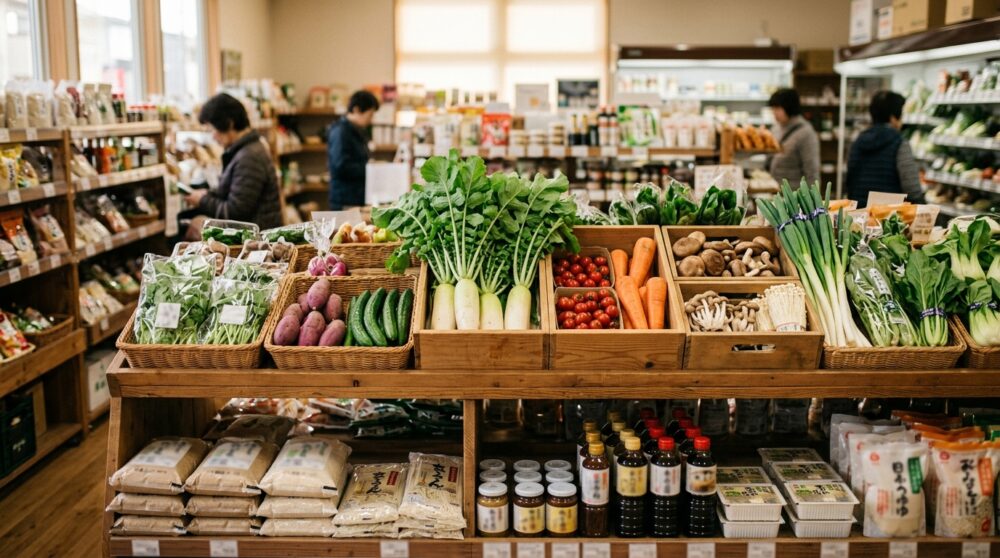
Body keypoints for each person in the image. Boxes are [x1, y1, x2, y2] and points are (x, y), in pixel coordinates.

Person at [183, 93, 282, 236]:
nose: (212, 136)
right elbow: (236, 193)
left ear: (229, 123)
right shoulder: (245, 150)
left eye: (212, 129)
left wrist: (203, 201)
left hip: (256, 243)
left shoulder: (250, 157)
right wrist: (209, 194)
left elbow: (235, 213)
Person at [846, 90, 922, 204]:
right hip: (888, 215)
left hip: (859, 213)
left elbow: (849, 181)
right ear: (893, 118)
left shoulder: (858, 141)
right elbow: (912, 189)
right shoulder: (899, 143)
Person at [327, 90, 380, 209]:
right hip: (345, 200)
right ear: (356, 110)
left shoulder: (357, 131)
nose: (371, 120)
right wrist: (370, 168)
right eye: (370, 115)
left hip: (356, 197)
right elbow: (340, 166)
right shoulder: (340, 132)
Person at [767, 88, 820, 187]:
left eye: (777, 108)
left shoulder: (806, 133)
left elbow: (812, 172)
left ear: (789, 107)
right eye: (772, 109)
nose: (774, 112)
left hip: (794, 196)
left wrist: (812, 199)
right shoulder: (776, 128)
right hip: (775, 192)